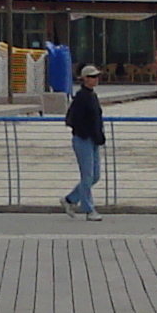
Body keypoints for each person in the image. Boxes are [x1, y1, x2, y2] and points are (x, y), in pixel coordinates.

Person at [62, 65, 106, 219]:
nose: (96, 79)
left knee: (95, 176)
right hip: (83, 139)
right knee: (87, 176)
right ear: (85, 79)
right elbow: (74, 119)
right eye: (93, 77)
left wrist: (98, 135)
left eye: (97, 76)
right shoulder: (81, 97)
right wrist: (85, 132)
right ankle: (88, 209)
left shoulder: (91, 96)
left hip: (92, 139)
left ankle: (70, 199)